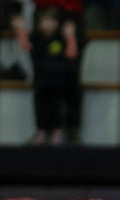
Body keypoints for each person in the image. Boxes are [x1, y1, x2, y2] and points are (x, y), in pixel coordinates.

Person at [14, 4, 84, 145]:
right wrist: (20, 29)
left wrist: (70, 36)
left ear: (57, 23)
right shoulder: (37, 38)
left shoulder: (60, 38)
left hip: (58, 81)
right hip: (41, 81)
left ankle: (58, 132)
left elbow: (71, 54)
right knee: (40, 107)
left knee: (57, 107)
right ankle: (41, 131)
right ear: (39, 23)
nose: (48, 24)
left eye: (51, 21)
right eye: (45, 20)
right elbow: (26, 45)